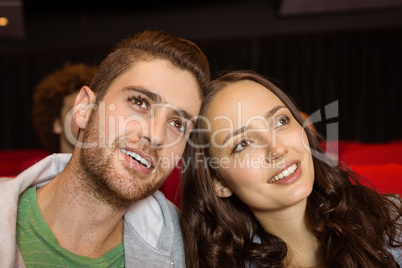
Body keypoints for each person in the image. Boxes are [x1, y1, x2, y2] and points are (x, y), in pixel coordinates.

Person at [0, 29, 210, 267]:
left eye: (177, 123)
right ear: (84, 109)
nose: (155, 135)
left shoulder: (194, 251)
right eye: (139, 102)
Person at [180, 70, 401, 267]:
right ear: (219, 182)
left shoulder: (392, 222)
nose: (276, 149)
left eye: (281, 121)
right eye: (243, 144)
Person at [32, 62, 98, 154]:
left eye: (93, 110)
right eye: (78, 110)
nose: (88, 117)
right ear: (57, 124)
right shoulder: (38, 168)